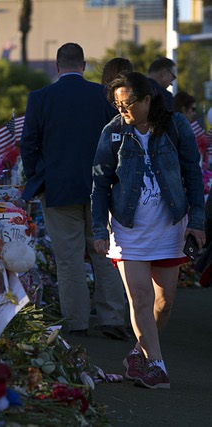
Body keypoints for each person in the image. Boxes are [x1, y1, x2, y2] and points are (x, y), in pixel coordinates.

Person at [91, 71, 205, 389]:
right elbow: (100, 184)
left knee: (163, 303)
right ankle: (157, 366)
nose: (123, 111)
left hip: (169, 226)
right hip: (128, 230)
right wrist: (99, 228)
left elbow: (193, 176)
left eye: (128, 104)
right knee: (139, 297)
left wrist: (197, 221)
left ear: (147, 99)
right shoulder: (112, 132)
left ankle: (138, 354)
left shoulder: (175, 126)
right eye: (117, 105)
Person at [20, 42, 129, 340]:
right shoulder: (103, 97)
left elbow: (28, 145)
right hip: (102, 189)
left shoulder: (40, 98)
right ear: (83, 66)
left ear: (57, 67)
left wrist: (37, 178)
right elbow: (120, 139)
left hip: (59, 189)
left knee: (69, 259)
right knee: (105, 255)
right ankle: (112, 317)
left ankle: (77, 321)